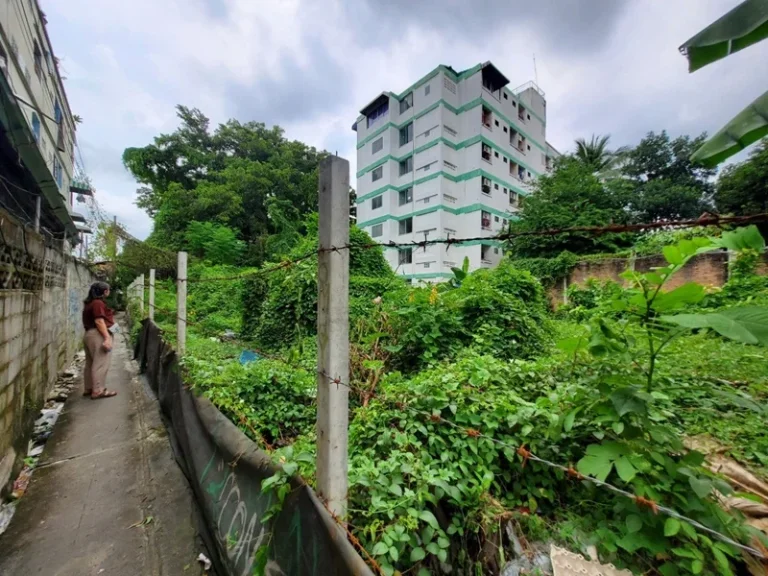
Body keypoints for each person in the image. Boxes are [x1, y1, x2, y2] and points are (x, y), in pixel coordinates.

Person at [82, 282, 117, 399]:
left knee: (90, 362)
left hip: (89, 334)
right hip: (98, 334)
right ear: (104, 291)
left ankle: (89, 388)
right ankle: (98, 390)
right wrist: (107, 337)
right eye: (108, 290)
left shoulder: (89, 303)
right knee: (101, 363)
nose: (109, 291)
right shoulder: (98, 303)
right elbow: (99, 321)